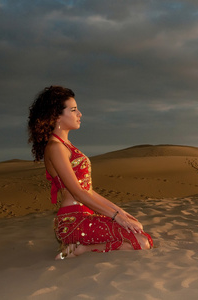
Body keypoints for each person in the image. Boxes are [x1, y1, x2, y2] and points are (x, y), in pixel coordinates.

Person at [28, 86, 153, 259]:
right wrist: (116, 217)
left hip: (87, 216)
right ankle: (81, 249)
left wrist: (121, 212)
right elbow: (78, 193)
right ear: (56, 115)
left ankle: (81, 246)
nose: (80, 114)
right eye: (73, 110)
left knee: (138, 228)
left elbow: (88, 190)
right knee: (141, 242)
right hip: (73, 222)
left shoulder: (67, 146)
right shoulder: (55, 148)